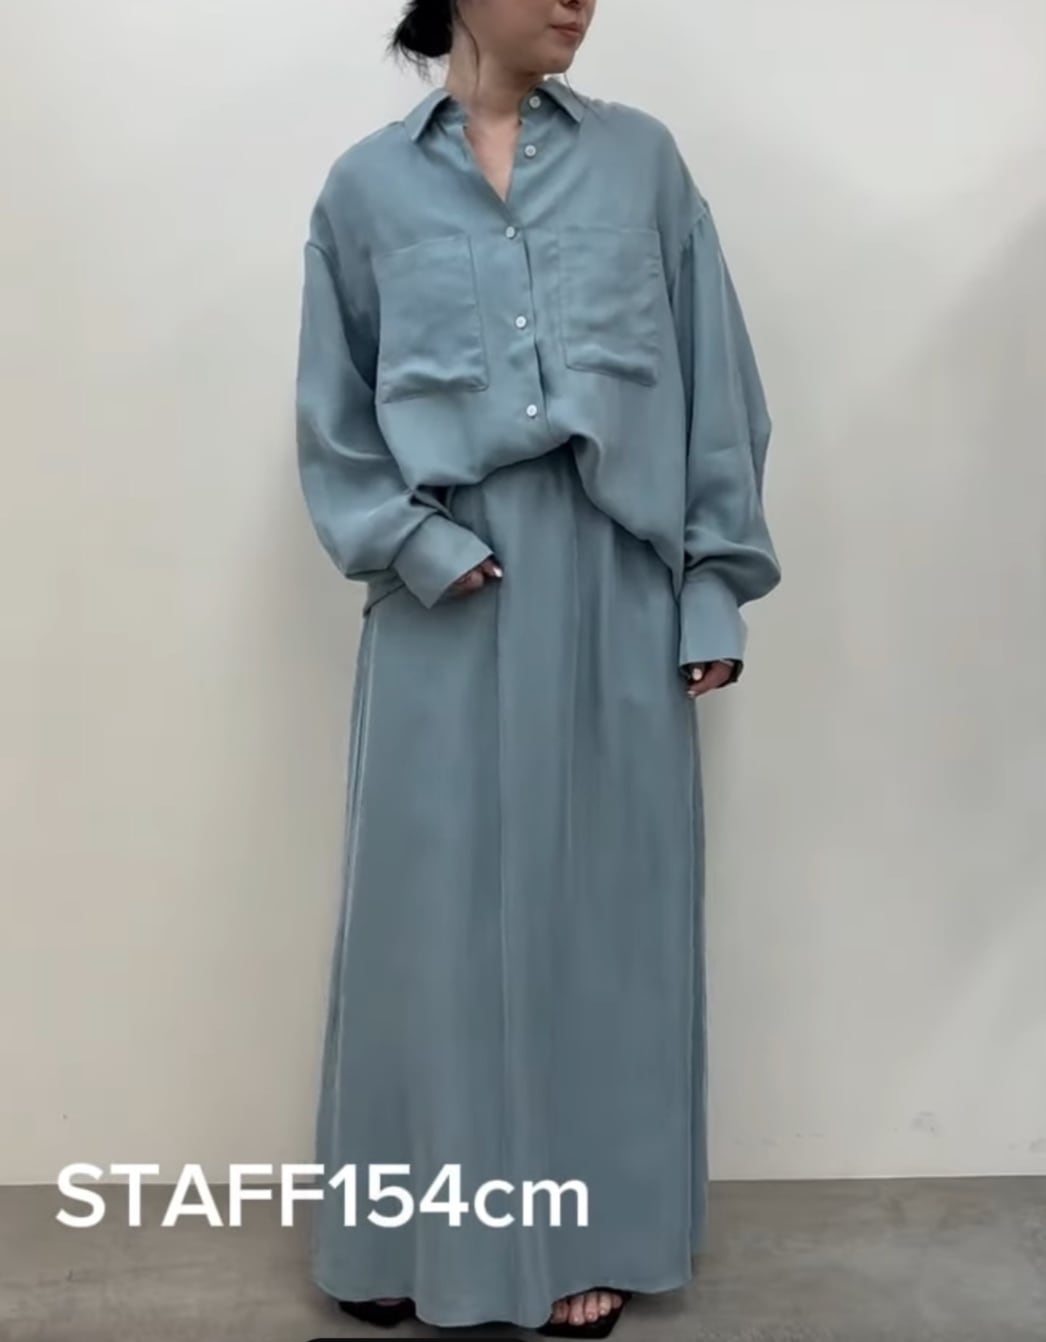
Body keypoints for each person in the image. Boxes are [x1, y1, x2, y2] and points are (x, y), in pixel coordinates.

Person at [294, 0, 781, 1335]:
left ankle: (589, 1228)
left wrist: (710, 589)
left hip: (615, 588)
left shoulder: (643, 165)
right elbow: (333, 412)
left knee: (602, 922)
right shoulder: (365, 189)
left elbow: (717, 389)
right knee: (425, 923)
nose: (578, 0)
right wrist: (409, 540)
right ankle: (406, 1232)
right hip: (442, 588)